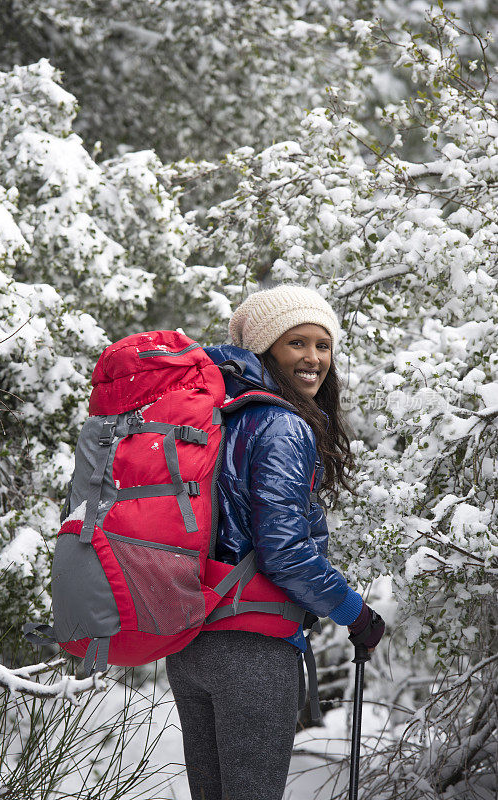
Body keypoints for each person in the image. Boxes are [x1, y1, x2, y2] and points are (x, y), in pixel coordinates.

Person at [165, 284, 385, 800]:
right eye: (297, 344)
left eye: (323, 345)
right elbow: (284, 552)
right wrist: (356, 613)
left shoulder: (219, 415)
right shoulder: (282, 425)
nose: (314, 358)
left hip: (193, 646)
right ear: (266, 349)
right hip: (254, 653)